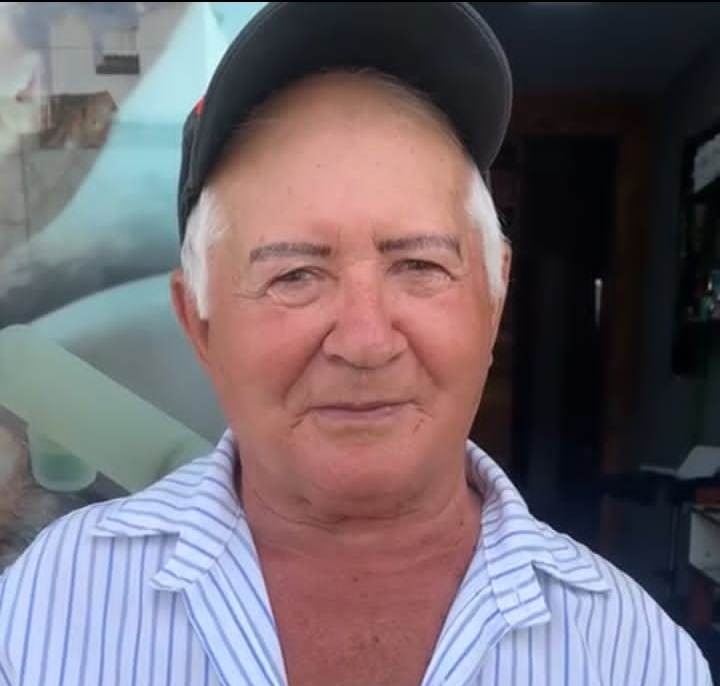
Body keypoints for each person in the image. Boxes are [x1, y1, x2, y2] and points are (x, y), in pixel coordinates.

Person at [0, 3, 713, 685]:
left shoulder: (635, 658)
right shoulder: (50, 607)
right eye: (295, 275)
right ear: (200, 325)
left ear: (493, 299)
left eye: (420, 266)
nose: (366, 342)